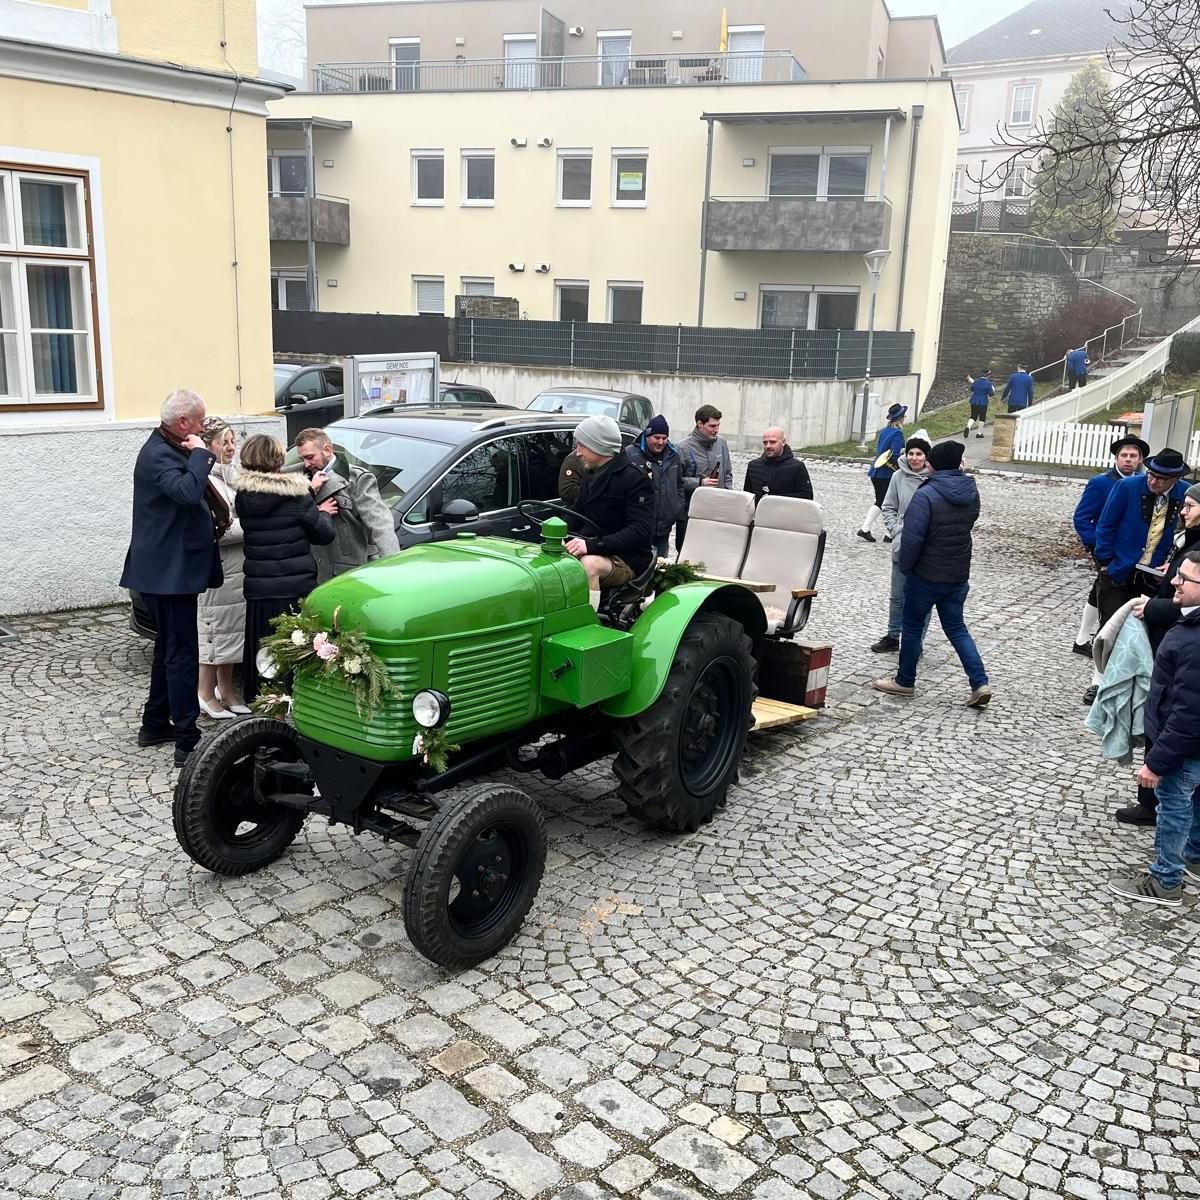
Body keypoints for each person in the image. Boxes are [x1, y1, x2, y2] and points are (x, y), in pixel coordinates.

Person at [120, 389, 225, 768]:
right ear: (183, 423)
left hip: (169, 571)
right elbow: (186, 492)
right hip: (167, 574)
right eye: (200, 420)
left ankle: (154, 724)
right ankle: (187, 741)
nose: (204, 426)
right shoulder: (159, 454)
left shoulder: (168, 446)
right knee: (182, 654)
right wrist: (201, 454)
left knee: (168, 649)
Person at [1108, 550, 1200, 907]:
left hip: (1184, 749)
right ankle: (1195, 857)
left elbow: (1188, 713)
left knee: (1173, 807)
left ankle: (1165, 882)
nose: (1175, 581)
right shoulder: (1189, 622)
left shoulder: (1194, 641)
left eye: (1185, 578)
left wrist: (1156, 762)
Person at [872, 440, 991, 707]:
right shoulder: (971, 490)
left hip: (925, 575)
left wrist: (907, 567)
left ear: (934, 464)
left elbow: (912, 538)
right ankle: (980, 683)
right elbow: (970, 521)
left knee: (912, 627)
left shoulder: (926, 494)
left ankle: (904, 681)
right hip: (957, 573)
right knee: (957, 629)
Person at [1115, 483, 1200, 827]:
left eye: (1191, 506)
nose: (1183, 511)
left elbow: (1189, 605)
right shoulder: (1189, 541)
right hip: (1174, 636)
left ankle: (1154, 803)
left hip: (1178, 638)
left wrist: (1153, 607)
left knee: (1167, 710)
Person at [236, 434, 337, 701]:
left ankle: (265, 704)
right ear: (278, 460)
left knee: (264, 653)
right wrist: (323, 512)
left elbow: (274, 511)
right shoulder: (297, 494)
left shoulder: (244, 496)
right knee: (295, 650)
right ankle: (297, 702)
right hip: (294, 589)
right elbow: (323, 534)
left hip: (259, 589)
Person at [1071, 434, 1148, 657]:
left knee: (1102, 588)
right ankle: (1100, 640)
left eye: (1133, 456)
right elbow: (1081, 518)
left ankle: (1083, 640)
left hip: (1129, 551)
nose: (1128, 459)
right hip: (1105, 549)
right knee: (1108, 589)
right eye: (1124, 455)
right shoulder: (1101, 483)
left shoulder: (1143, 483)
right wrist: (1097, 545)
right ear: (1116, 458)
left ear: (1140, 459)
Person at [566, 415, 655, 607]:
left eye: (582, 446)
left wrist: (592, 545)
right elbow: (576, 514)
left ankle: (587, 619)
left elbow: (640, 531)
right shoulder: (591, 474)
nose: (577, 453)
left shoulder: (635, 479)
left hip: (627, 558)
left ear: (598, 446)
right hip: (595, 548)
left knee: (589, 565)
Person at [294, 427, 400, 581]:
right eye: (302, 459)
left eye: (310, 457)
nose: (306, 464)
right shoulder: (297, 476)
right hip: (309, 571)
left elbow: (380, 524)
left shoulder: (358, 479)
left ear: (327, 450)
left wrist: (393, 566)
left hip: (345, 572)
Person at [196, 417, 249, 720]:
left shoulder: (232, 474)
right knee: (214, 631)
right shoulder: (206, 479)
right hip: (218, 569)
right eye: (224, 442)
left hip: (237, 569)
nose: (231, 447)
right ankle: (205, 693)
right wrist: (254, 525)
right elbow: (218, 529)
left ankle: (226, 689)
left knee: (232, 631)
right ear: (208, 445)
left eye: (233, 441)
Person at [870, 432, 931, 653]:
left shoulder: (933, 478)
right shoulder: (898, 476)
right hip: (902, 544)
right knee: (897, 596)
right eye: (911, 453)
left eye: (919, 454)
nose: (914, 458)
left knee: (922, 599)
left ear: (926, 457)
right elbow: (888, 507)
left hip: (926, 549)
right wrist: (896, 530)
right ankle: (893, 636)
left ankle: (916, 642)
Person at [625, 415, 686, 560]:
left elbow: (679, 484)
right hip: (637, 527)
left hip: (663, 529)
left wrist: (676, 508)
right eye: (657, 438)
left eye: (664, 438)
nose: (661, 442)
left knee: (660, 565)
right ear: (647, 436)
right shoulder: (630, 454)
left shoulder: (673, 456)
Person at [676, 405, 731, 547]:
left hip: (716, 513)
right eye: (712, 426)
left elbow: (727, 473)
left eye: (718, 425)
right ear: (700, 424)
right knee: (687, 552)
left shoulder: (721, 443)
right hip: (689, 514)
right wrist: (700, 483)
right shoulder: (683, 448)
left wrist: (728, 495)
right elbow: (675, 481)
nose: (716, 430)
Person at [857, 403, 907, 543]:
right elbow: (895, 455)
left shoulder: (884, 431)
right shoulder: (897, 433)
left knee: (880, 501)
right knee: (894, 503)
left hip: (876, 472)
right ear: (900, 418)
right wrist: (902, 466)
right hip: (887, 473)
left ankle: (865, 529)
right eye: (904, 417)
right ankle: (890, 534)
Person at [742, 426, 813, 505]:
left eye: (773, 442)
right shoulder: (753, 466)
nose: (768, 446)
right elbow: (747, 498)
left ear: (783, 442)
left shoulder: (797, 467)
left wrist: (775, 500)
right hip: (759, 512)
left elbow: (807, 497)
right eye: (765, 442)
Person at [963, 369, 994, 438]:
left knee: (973, 416)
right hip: (983, 402)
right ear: (988, 376)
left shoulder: (976, 381)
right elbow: (991, 394)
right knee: (982, 417)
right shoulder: (988, 383)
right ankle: (979, 433)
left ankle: (968, 426)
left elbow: (972, 389)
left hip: (974, 401)